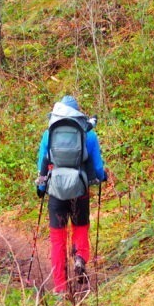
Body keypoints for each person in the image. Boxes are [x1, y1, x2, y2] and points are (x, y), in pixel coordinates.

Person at [36, 95, 107, 294]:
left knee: (58, 238)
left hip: (56, 192)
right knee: (81, 228)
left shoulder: (48, 134)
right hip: (80, 190)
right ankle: (80, 258)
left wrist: (41, 188)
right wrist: (102, 177)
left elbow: (42, 164)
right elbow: (98, 167)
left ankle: (60, 287)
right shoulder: (88, 134)